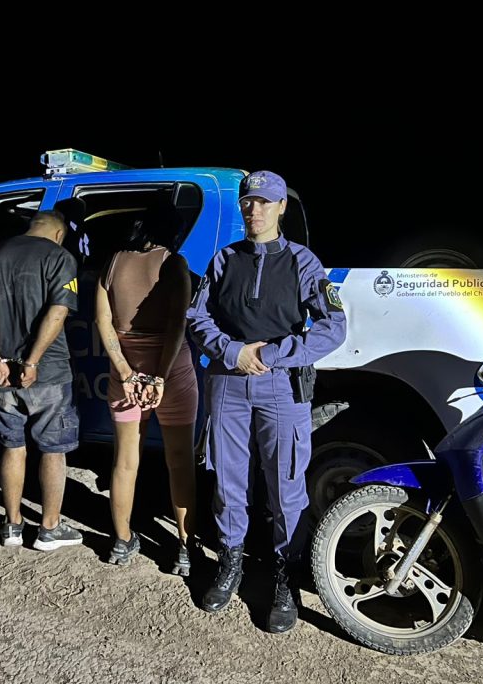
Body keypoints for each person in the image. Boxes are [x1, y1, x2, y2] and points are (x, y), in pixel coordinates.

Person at [186, 170, 346, 633]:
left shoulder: (303, 262)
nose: (253, 209)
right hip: (228, 381)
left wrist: (274, 354)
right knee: (227, 480)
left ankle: (284, 577)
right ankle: (230, 561)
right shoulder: (224, 259)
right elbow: (197, 317)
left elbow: (333, 327)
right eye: (247, 201)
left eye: (263, 201)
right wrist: (232, 351)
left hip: (281, 385)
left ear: (281, 207)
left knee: (286, 484)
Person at [0, 210, 82, 551]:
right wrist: (32, 361)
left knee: (12, 445)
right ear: (59, 234)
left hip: (2, 374)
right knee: (52, 450)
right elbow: (58, 311)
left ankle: (12, 525)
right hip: (47, 372)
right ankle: (49, 529)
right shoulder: (59, 257)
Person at [95, 206, 197, 573]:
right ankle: (186, 548)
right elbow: (177, 325)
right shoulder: (174, 264)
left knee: (125, 460)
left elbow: (103, 321)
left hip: (125, 374)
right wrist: (160, 377)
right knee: (180, 461)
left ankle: (121, 541)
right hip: (172, 374)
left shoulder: (113, 262)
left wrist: (125, 371)